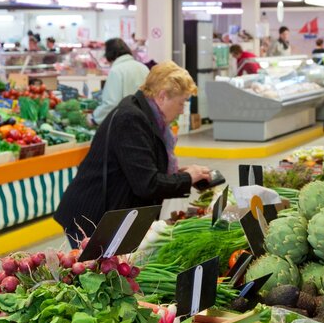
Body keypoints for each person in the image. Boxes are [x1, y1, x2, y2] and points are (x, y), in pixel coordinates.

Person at [54, 61, 211, 243]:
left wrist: (181, 175)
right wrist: (188, 178)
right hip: (93, 215)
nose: (182, 111)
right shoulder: (131, 119)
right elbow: (147, 184)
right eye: (181, 103)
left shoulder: (145, 114)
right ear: (162, 96)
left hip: (112, 210)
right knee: (97, 269)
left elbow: (143, 168)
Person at [92, 38, 150, 125]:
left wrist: (94, 119)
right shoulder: (143, 68)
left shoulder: (116, 71)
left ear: (109, 54)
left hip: (125, 124)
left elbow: (111, 103)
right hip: (144, 121)